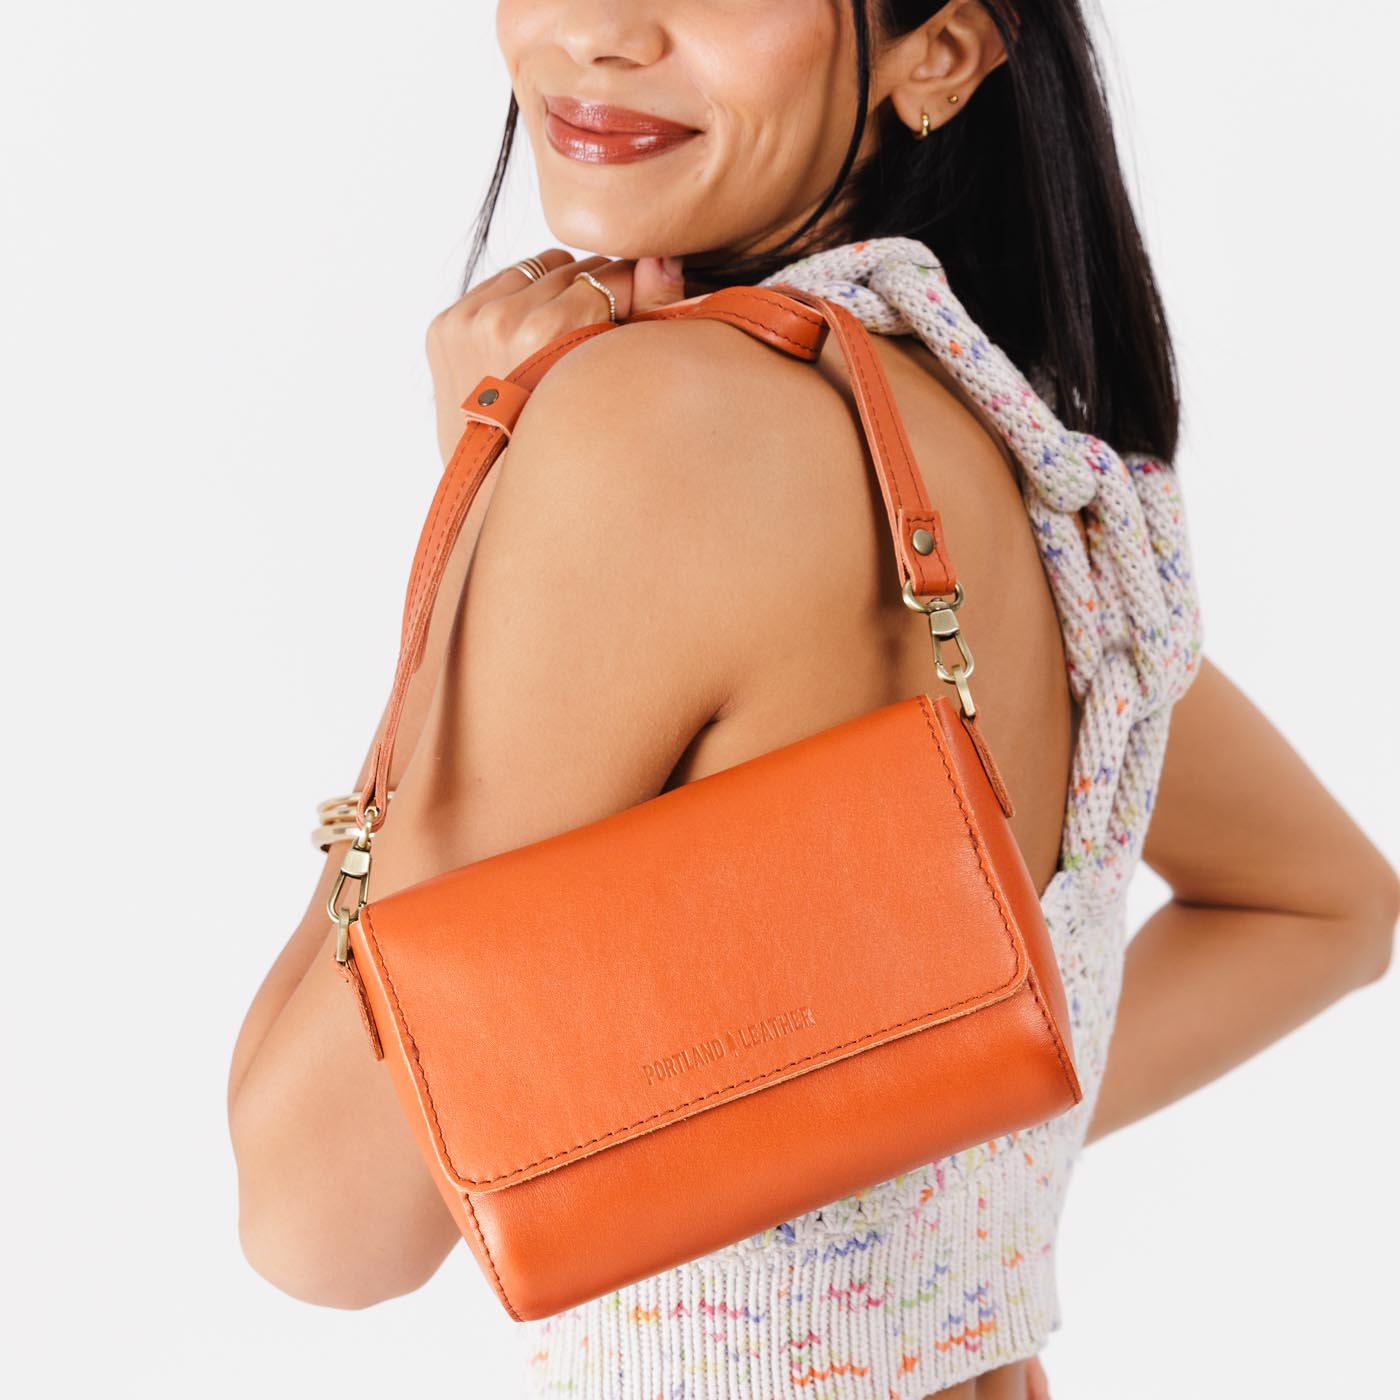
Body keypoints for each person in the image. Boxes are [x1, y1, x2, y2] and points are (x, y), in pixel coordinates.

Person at [226, 2, 1398, 1396]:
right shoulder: (1016, 452)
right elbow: (1321, 905)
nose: (597, 30)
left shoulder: (653, 433)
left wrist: (485, 495)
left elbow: (320, 1224)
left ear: (940, 51)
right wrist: (940, 1133)